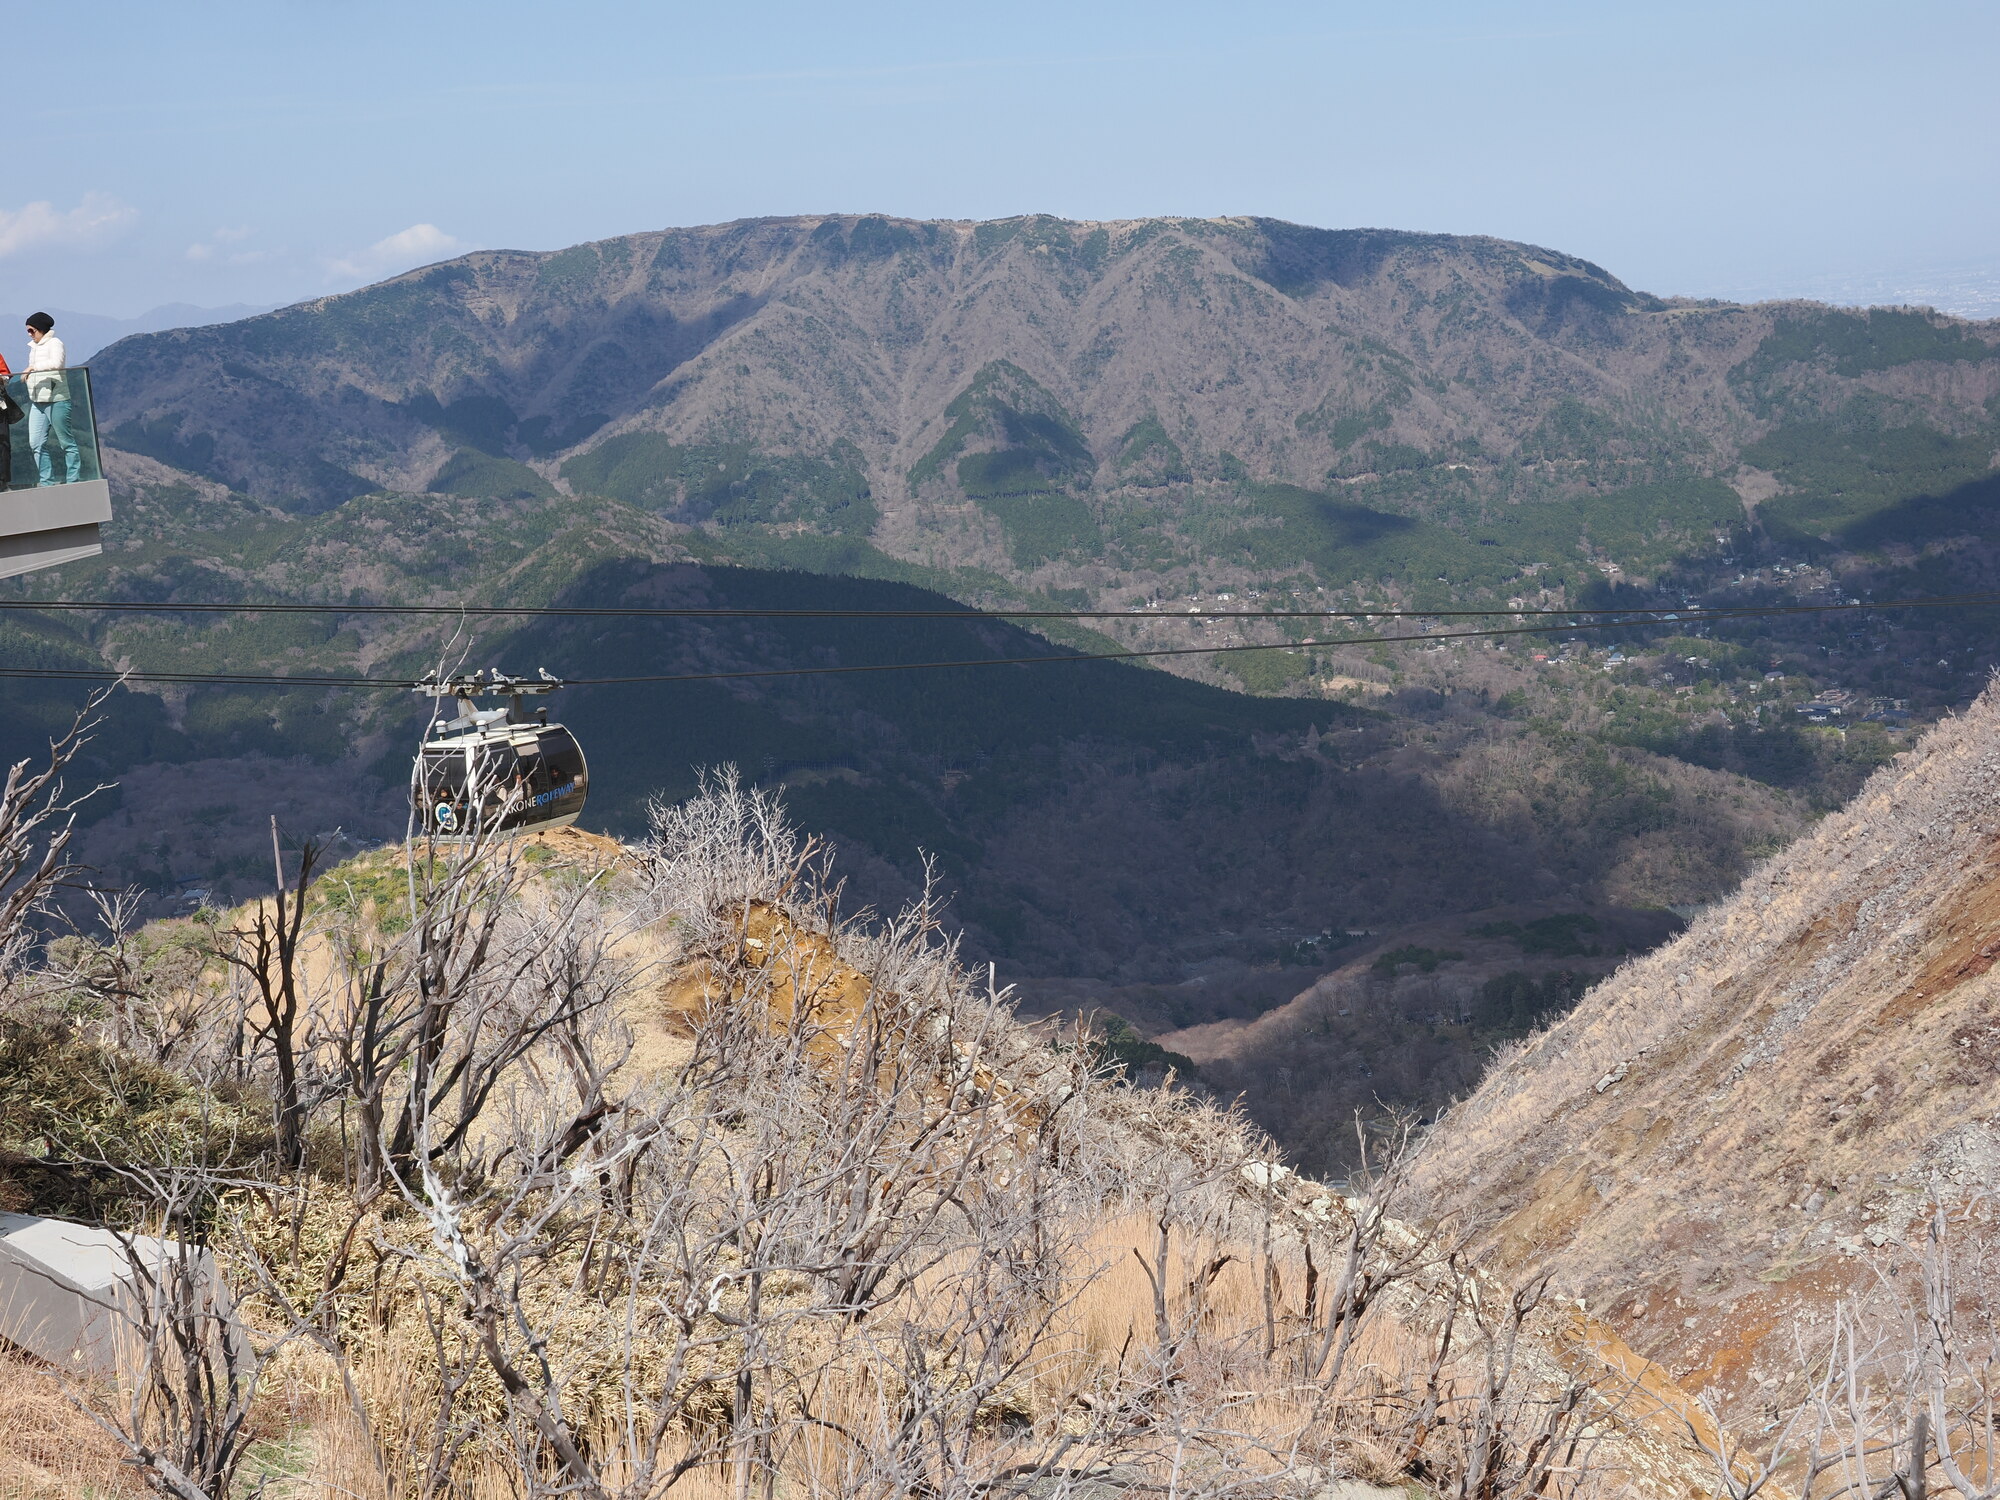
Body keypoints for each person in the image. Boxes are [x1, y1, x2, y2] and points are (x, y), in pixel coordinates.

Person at [22, 312, 79, 487]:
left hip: (57, 400)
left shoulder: (55, 343)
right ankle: (47, 481)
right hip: (37, 401)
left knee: (66, 442)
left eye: (31, 330)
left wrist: (33, 368)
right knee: (35, 443)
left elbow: (57, 363)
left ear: (40, 328)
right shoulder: (34, 347)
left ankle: (73, 480)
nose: (29, 334)